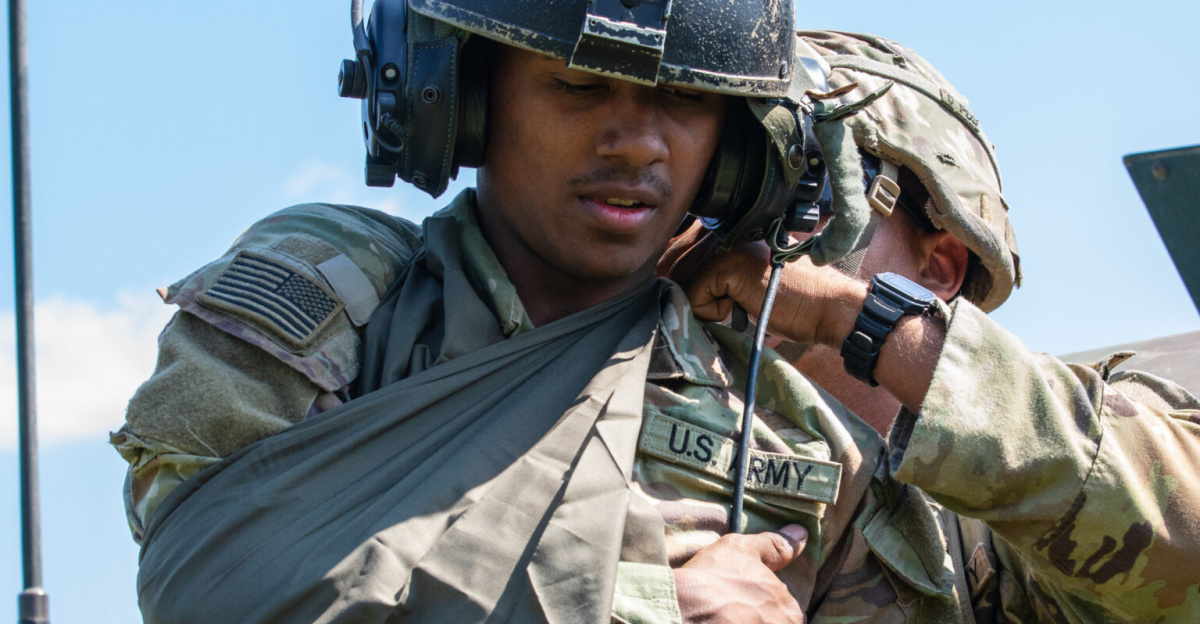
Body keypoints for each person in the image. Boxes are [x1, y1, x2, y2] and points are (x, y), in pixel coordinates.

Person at [112, 3, 873, 623]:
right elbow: (213, 588)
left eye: (684, 98)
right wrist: (643, 610)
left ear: (737, 152)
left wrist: (883, 326)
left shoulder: (784, 434)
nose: (636, 144)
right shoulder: (340, 294)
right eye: (578, 84)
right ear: (463, 100)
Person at [663, 30, 1200, 623]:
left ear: (939, 265)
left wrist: (849, 313)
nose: (755, 222)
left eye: (810, 178)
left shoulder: (983, 541)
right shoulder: (613, 406)